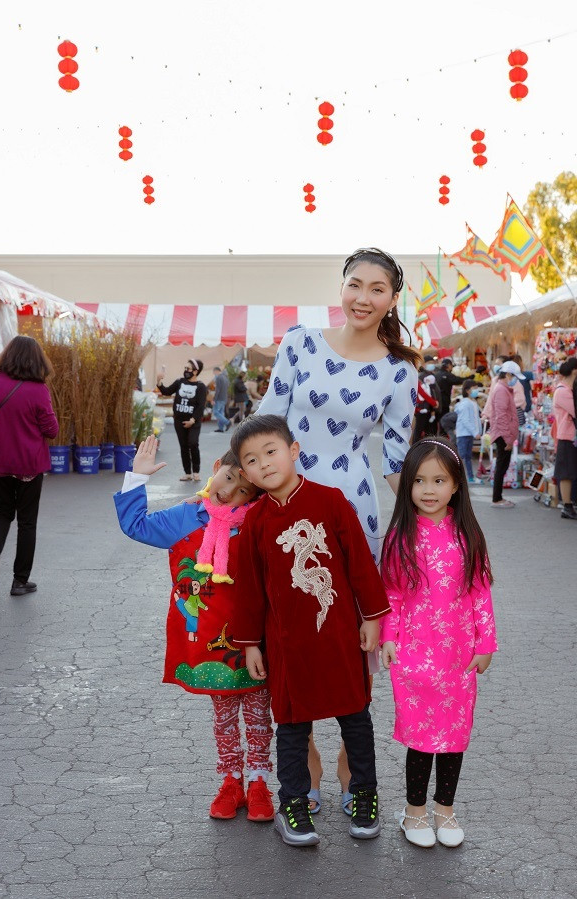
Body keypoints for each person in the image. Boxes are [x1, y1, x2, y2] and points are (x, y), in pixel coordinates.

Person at [256, 246, 420, 812]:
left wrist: (437, 519)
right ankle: (307, 764)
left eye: (378, 289)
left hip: (352, 510)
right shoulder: (300, 342)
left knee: (355, 636)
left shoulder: (400, 370)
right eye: (356, 284)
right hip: (282, 503)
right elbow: (268, 423)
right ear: (341, 287)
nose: (363, 298)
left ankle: (355, 771)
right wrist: (227, 491)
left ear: (392, 299)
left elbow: (397, 461)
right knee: (288, 628)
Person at [230, 414, 391, 847]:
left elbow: (360, 564)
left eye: (271, 451)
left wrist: (372, 618)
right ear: (244, 473)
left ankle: (364, 795)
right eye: (252, 460)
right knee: (293, 726)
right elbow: (248, 591)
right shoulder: (256, 523)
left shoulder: (331, 501)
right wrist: (250, 646)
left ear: (293, 450)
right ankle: (294, 805)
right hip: (286, 645)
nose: (264, 464)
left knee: (355, 718)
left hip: (339, 636)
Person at [114, 435, 274, 821]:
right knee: (222, 714)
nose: (230, 492)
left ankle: (259, 782)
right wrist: (136, 478)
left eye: (242, 490)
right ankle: (230, 780)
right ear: (217, 466)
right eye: (229, 477)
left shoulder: (258, 521)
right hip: (209, 643)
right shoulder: (188, 516)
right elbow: (135, 526)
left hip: (254, 640)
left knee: (257, 713)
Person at [380, 437, 497, 848]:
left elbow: (481, 592)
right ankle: (414, 813)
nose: (428, 490)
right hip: (413, 650)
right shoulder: (400, 535)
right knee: (419, 734)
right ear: (408, 486)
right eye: (418, 481)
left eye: (438, 480)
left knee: (453, 734)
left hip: (459, 655)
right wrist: (389, 637)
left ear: (456, 486)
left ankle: (445, 811)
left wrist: (486, 644)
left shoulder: (469, 535)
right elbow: (390, 594)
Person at [0, 335, 59, 597]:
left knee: (0, 513)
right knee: (27, 522)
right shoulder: (38, 390)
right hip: (28, 464)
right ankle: (19, 581)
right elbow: (52, 430)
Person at [157, 359, 207, 482]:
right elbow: (166, 391)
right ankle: (187, 473)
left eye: (188, 369)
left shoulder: (201, 387)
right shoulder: (180, 382)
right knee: (183, 446)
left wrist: (193, 419)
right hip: (179, 420)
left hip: (193, 421)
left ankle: (196, 471)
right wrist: (159, 380)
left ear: (195, 371)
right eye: (185, 368)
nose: (186, 371)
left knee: (193, 443)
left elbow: (201, 406)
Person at [488, 360, 524, 508]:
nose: (514, 380)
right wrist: (508, 439)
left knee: (503, 466)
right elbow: (501, 416)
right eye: (514, 376)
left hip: (504, 434)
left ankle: (498, 497)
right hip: (503, 435)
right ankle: (497, 499)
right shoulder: (501, 390)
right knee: (501, 466)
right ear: (508, 375)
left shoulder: (503, 389)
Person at [552, 359, 577, 520]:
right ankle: (566, 505)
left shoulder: (568, 389)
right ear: (574, 371)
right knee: (566, 473)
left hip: (570, 437)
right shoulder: (562, 391)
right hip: (567, 436)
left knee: (570, 472)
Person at [454, 380, 482, 482]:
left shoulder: (472, 403)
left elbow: (474, 418)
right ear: (467, 390)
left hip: (468, 434)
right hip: (464, 434)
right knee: (462, 457)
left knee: (468, 457)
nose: (476, 390)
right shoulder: (466, 404)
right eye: (474, 388)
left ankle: (469, 477)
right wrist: (475, 432)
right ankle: (458, 477)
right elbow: (465, 420)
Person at [412, 373, 439, 443]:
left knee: (418, 429)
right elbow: (423, 394)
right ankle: (416, 447)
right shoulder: (415, 381)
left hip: (415, 409)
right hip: (420, 409)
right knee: (418, 430)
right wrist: (434, 403)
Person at [211, 365, 230, 433]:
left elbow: (217, 390)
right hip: (224, 397)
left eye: (214, 372)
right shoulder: (225, 378)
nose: (214, 374)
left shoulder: (218, 378)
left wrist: (214, 399)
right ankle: (221, 428)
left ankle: (227, 422)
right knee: (221, 413)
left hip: (219, 398)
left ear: (216, 371)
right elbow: (227, 387)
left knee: (215, 412)